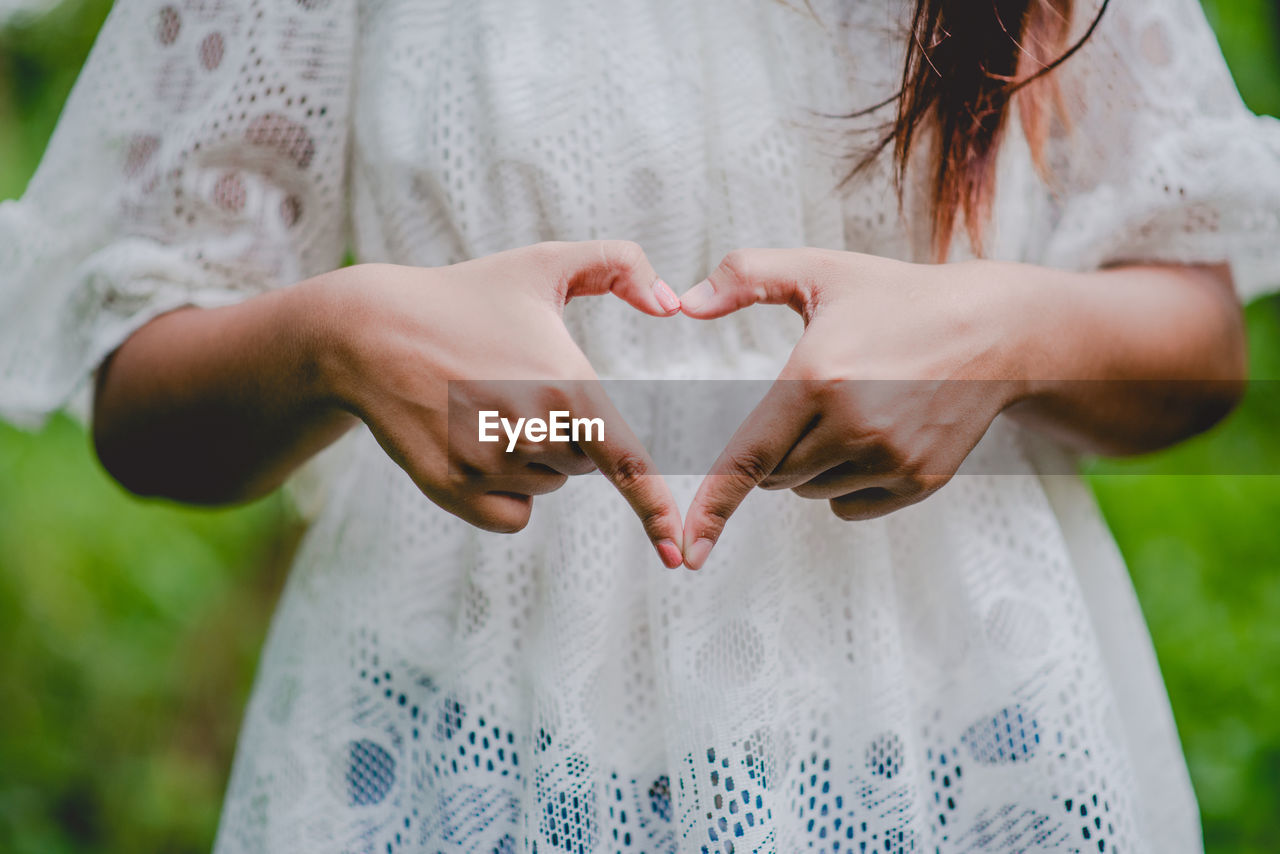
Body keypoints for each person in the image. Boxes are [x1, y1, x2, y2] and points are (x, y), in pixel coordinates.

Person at [1, 0, 1277, 850]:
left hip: (954, 734)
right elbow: (142, 398)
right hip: (467, 734)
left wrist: (995, 334)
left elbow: (1197, 335)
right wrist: (344, 338)